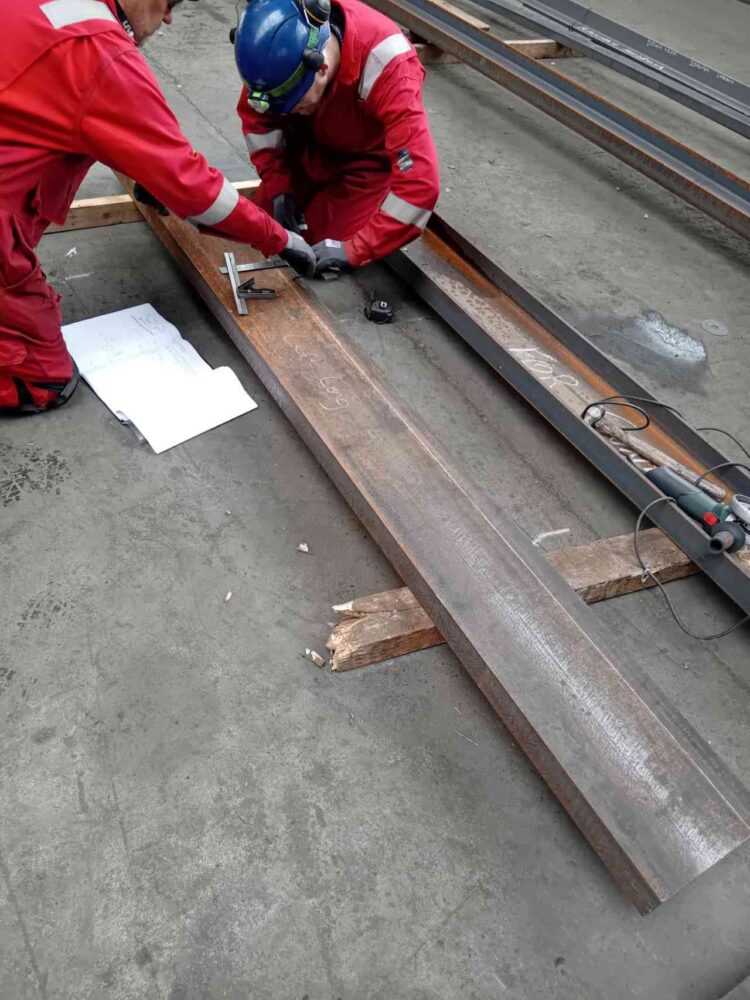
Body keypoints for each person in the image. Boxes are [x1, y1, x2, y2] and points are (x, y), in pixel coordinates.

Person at [0, 0, 316, 414]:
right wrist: (278, 238)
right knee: (43, 378)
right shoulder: (100, 53)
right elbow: (194, 188)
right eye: (168, 3)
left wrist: (148, 171)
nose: (167, 18)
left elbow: (63, 107)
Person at [233, 0, 440, 279]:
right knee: (266, 225)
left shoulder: (390, 68)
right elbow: (259, 123)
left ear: (321, 68)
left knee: (327, 243)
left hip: (363, 161)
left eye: (294, 102)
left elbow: (420, 185)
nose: (286, 109)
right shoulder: (275, 57)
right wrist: (278, 186)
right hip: (307, 142)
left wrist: (356, 250)